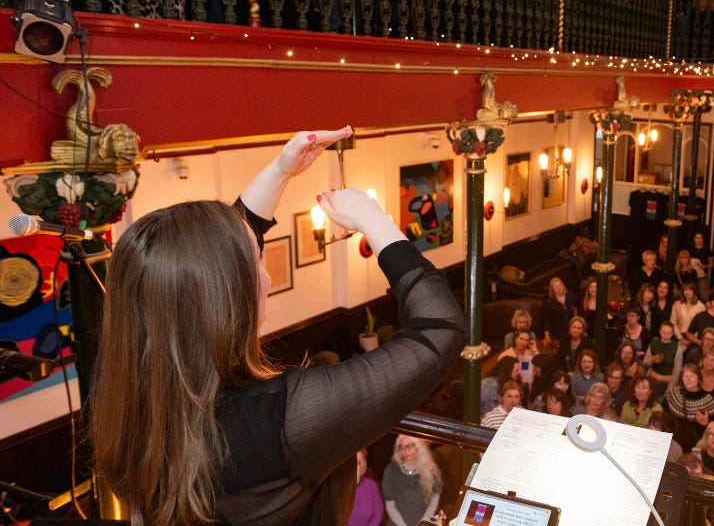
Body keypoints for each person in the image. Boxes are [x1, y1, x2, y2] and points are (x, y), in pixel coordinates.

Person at [88, 127, 467, 525]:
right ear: (228, 298)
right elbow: (439, 330)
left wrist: (281, 170)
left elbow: (209, 260)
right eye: (258, 259)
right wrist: (375, 220)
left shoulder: (129, 397)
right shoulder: (283, 417)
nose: (264, 272)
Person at [382, 436, 442, 526]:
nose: (406, 450)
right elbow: (390, 504)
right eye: (401, 447)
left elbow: (435, 498)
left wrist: (423, 522)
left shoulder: (431, 469)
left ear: (419, 446)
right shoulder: (391, 470)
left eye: (410, 446)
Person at [666, 363, 714, 449]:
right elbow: (664, 417)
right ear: (681, 379)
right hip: (673, 444)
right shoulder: (672, 395)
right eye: (685, 376)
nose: (688, 379)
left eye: (692, 376)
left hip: (696, 446)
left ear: (699, 379)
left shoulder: (709, 401)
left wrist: (705, 424)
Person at [349, 448, 384, 526]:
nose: (355, 467)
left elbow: (378, 514)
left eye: (358, 463)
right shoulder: (339, 489)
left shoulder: (372, 486)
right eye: (352, 464)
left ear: (362, 466)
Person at [540, 277, 577, 342]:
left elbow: (577, 309)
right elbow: (546, 320)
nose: (559, 288)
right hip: (558, 333)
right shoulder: (548, 302)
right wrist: (547, 335)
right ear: (552, 289)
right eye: (556, 286)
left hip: (573, 330)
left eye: (560, 285)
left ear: (563, 285)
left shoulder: (571, 295)